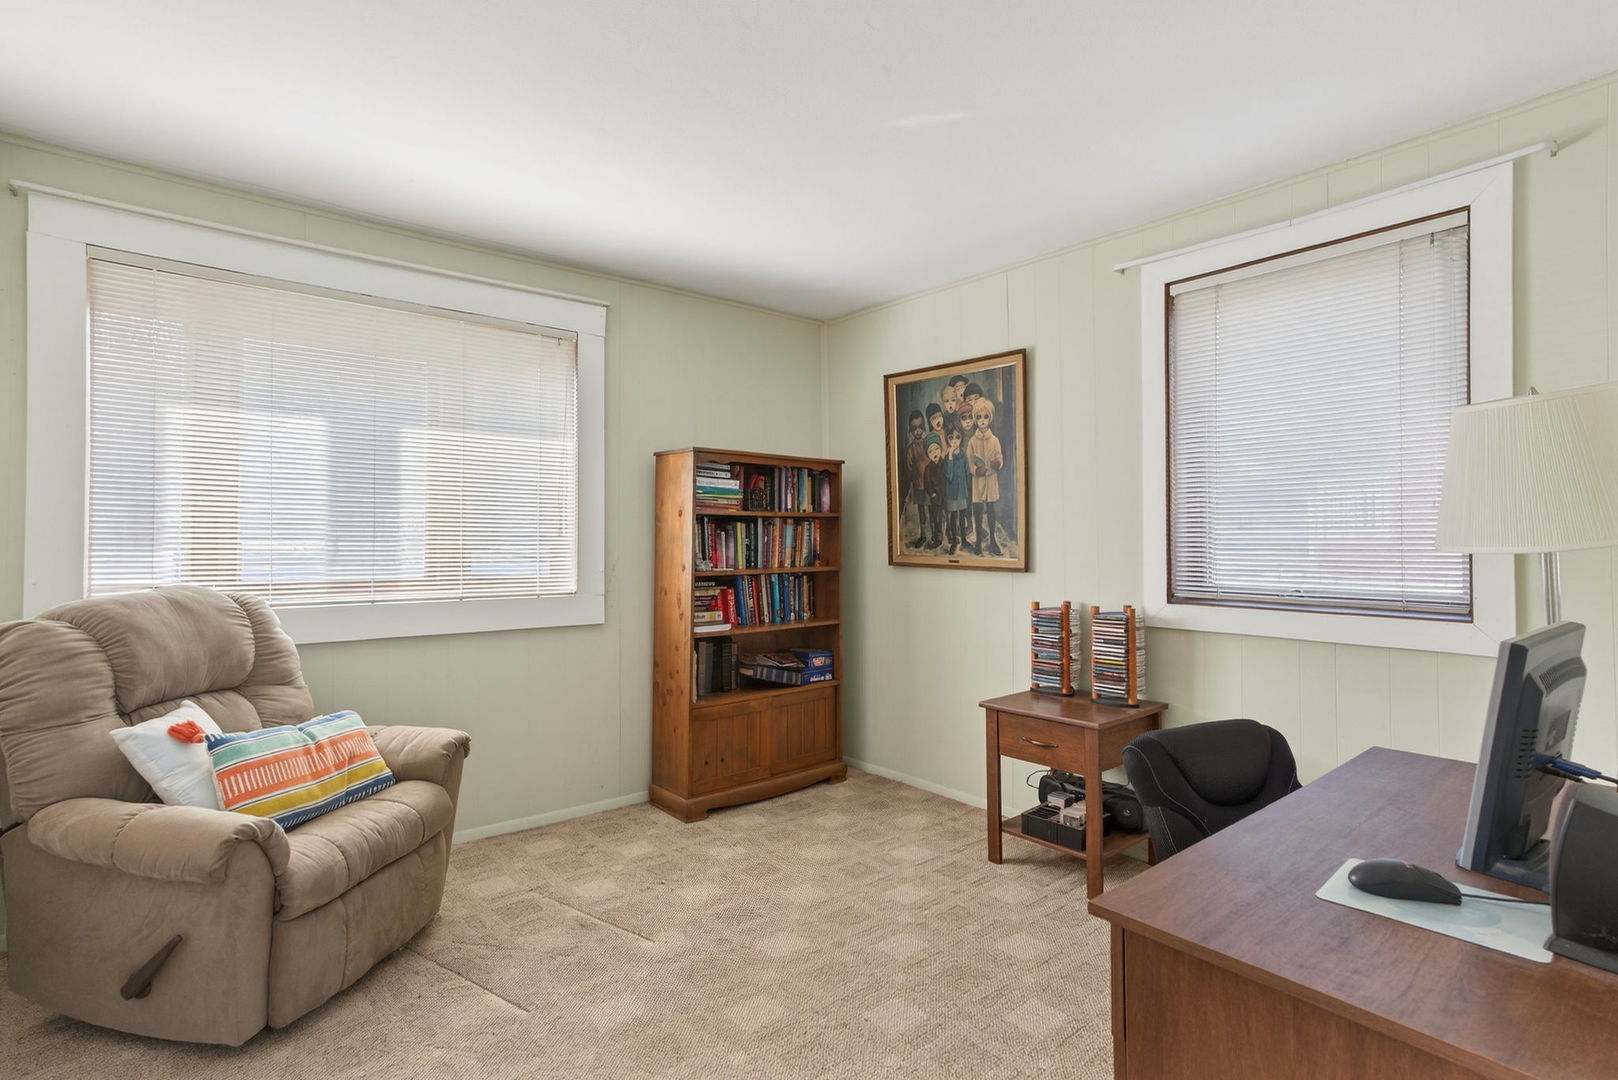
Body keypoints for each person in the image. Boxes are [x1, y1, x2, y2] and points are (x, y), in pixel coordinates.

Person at [968, 396, 1005, 557]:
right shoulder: (972, 441)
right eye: (978, 417)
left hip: (990, 480)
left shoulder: (995, 440)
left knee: (991, 510)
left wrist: (997, 463)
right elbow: (970, 462)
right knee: (977, 510)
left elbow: (1000, 457)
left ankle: (992, 541)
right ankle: (978, 542)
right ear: (975, 419)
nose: (982, 421)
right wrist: (976, 470)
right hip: (978, 481)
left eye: (985, 417)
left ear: (990, 418)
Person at [902, 408, 929, 546]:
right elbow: (908, 467)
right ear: (910, 431)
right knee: (921, 509)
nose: (918, 431)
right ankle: (923, 535)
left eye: (920, 427)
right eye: (914, 428)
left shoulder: (928, 443)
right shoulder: (910, 449)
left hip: (931, 483)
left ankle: (936, 534)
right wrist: (913, 478)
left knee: (934, 509)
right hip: (919, 484)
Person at [942, 426, 970, 555]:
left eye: (957, 437)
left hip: (962, 492)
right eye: (951, 437)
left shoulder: (963, 454)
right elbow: (949, 475)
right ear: (947, 439)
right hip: (952, 493)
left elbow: (966, 471)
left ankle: (964, 539)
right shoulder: (947, 457)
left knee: (963, 515)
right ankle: (954, 540)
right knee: (953, 517)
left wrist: (967, 489)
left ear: (961, 438)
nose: (954, 440)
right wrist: (951, 456)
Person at [920, 433, 945, 549]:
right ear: (927, 454)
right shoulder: (928, 468)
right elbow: (926, 484)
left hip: (945, 496)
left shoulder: (944, 464)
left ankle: (949, 535)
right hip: (935, 499)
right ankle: (937, 537)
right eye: (930, 451)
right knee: (936, 519)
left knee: (948, 516)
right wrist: (932, 493)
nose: (934, 453)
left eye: (936, 449)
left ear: (941, 449)